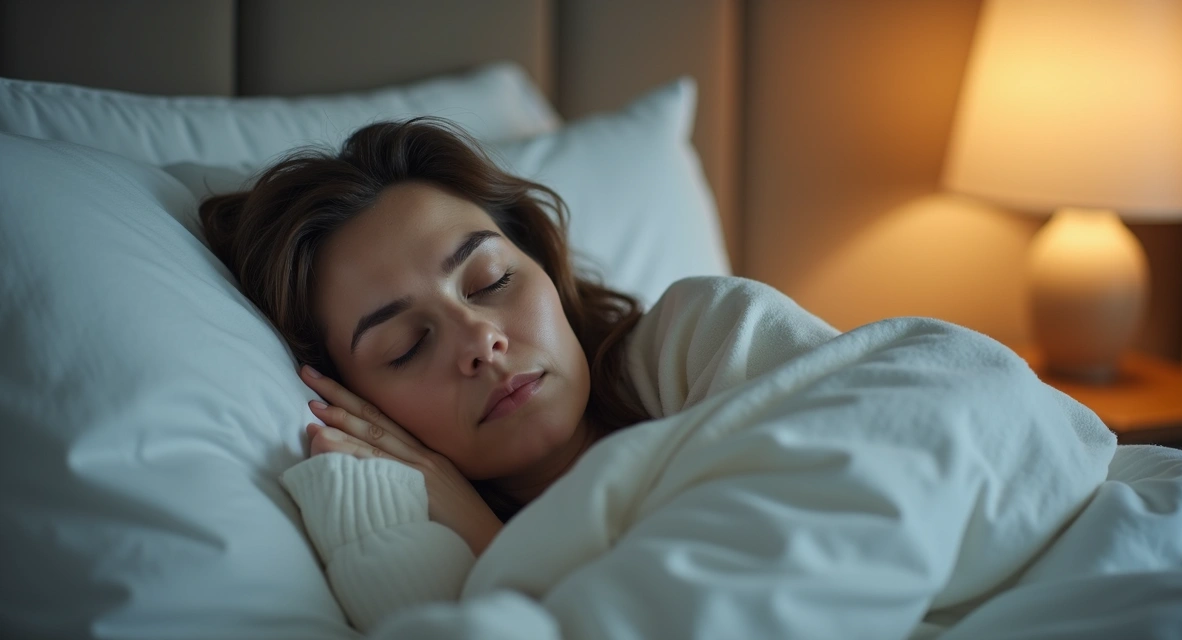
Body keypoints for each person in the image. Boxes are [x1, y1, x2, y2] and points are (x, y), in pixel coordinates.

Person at [199, 117, 837, 559]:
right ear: (359, 402)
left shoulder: (708, 336)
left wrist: (492, 546)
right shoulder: (415, 549)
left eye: (491, 280)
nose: (480, 340)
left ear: (542, 264)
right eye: (406, 346)